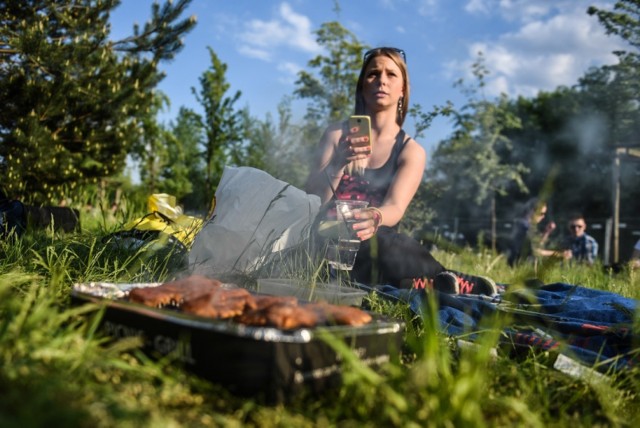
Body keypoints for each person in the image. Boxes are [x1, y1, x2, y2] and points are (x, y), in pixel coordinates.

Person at [305, 47, 496, 295]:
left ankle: (443, 280)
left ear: (402, 89)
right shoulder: (336, 135)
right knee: (316, 246)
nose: (381, 80)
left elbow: (395, 207)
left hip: (375, 243)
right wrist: (337, 164)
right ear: (363, 85)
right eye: (373, 74)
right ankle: (428, 282)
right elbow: (312, 198)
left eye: (391, 74)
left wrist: (375, 217)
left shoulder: (410, 151)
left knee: (391, 244)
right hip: (326, 238)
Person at [507, 198, 559, 266]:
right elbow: (536, 251)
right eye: (541, 213)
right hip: (519, 266)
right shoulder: (524, 228)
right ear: (532, 211)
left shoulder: (525, 226)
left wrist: (547, 232)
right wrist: (559, 254)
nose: (543, 217)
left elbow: (538, 244)